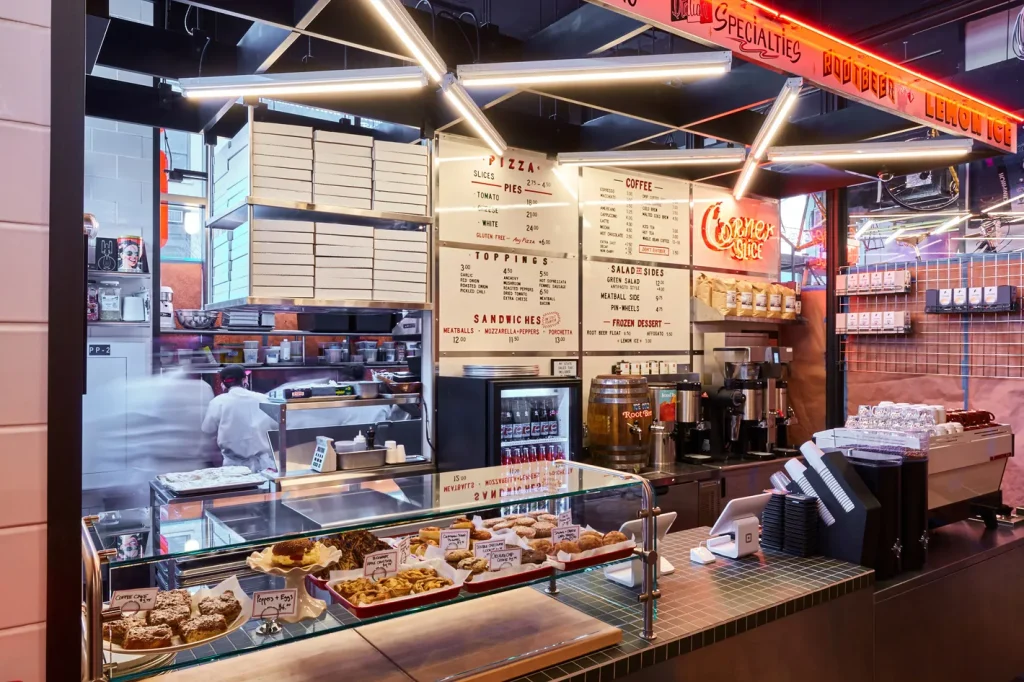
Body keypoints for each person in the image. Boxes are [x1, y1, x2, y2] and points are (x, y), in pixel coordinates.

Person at [202, 365, 278, 473]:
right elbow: (279, 427)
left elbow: (208, 430)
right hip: (266, 467)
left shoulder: (218, 402)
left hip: (233, 469)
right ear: (245, 380)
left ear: (223, 384)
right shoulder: (264, 399)